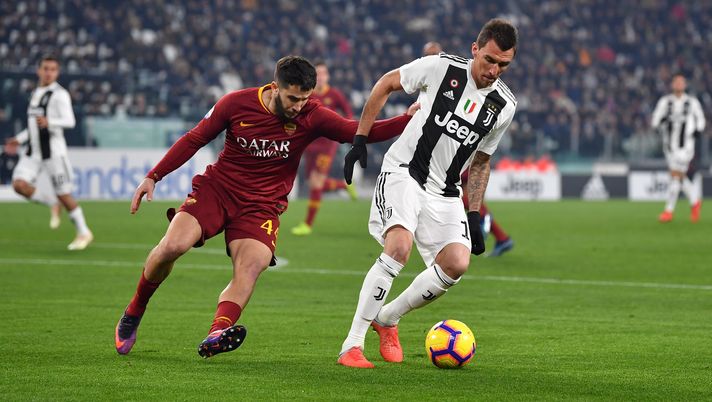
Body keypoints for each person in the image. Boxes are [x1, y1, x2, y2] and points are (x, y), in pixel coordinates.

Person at [114, 56, 416, 358]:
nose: (298, 106)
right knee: (173, 246)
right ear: (275, 87)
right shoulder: (235, 104)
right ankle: (134, 310)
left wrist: (406, 119)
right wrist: (153, 176)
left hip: (262, 206)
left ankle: (217, 332)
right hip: (218, 190)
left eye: (305, 99)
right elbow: (195, 139)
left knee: (251, 266)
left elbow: (354, 130)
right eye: (293, 98)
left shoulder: (311, 114)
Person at [338, 18, 518, 368]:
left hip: (446, 190)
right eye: (489, 60)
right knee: (399, 247)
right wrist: (360, 138)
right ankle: (352, 345)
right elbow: (387, 83)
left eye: (504, 65)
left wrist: (474, 213)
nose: (494, 71)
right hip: (405, 171)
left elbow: (482, 161)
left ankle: (387, 318)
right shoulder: (441, 68)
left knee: (456, 264)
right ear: (475, 50)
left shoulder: (504, 106)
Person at [423, 41, 514, 257]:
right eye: (427, 54)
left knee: (463, 199)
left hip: (459, 154)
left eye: (434, 54)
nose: (431, 57)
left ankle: (490, 231)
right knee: (466, 199)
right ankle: (500, 237)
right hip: (442, 154)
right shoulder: (428, 79)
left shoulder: (450, 80)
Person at [6, 55, 92, 248]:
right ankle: (53, 203)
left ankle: (84, 232)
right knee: (19, 185)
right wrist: (19, 139)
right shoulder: (36, 93)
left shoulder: (60, 94)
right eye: (45, 68)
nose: (48, 73)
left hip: (53, 153)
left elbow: (70, 121)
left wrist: (49, 122)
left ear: (57, 72)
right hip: (33, 151)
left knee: (64, 195)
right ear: (39, 71)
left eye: (53, 69)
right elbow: (33, 125)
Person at [291, 61, 357, 236]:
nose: (320, 77)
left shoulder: (334, 95)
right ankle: (342, 185)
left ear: (327, 76)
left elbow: (349, 114)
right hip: (309, 144)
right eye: (317, 74)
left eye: (323, 74)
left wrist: (342, 129)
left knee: (316, 182)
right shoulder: (308, 94)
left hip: (327, 145)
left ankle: (307, 224)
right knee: (313, 183)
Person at [651, 74, 706, 223]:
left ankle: (668, 211)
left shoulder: (692, 102)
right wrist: (661, 122)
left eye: (681, 82)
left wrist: (698, 131)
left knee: (675, 176)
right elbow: (655, 121)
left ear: (685, 84)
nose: (679, 84)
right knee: (679, 176)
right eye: (676, 82)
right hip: (669, 147)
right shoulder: (665, 102)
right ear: (672, 84)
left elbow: (701, 119)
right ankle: (695, 201)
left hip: (686, 147)